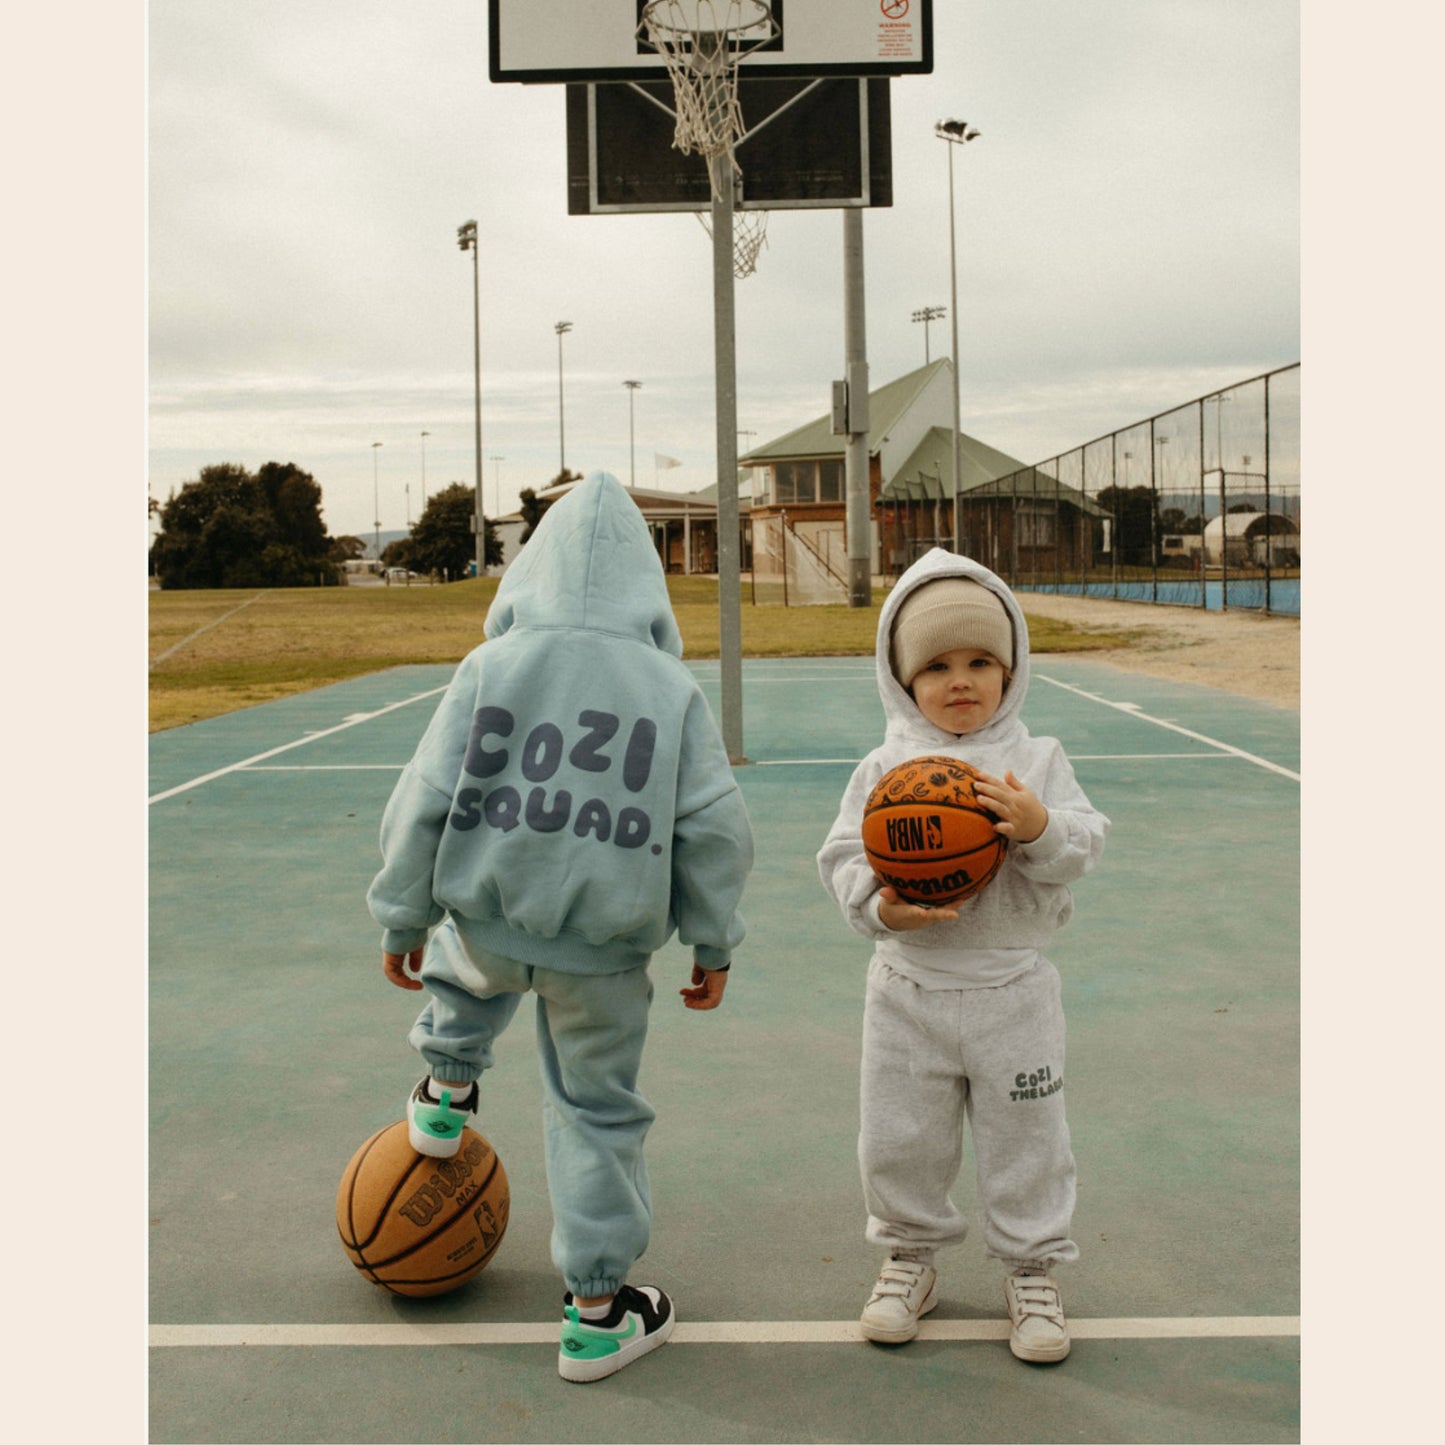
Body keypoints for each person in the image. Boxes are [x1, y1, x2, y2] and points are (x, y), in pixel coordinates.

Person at [367, 471, 754, 1383]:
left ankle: (445, 1084)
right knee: (596, 1114)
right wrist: (713, 938)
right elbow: (714, 826)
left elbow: (422, 796)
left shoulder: (488, 668)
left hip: (489, 920)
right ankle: (595, 1312)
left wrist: (401, 913)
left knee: (465, 966)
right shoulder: (670, 688)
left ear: (526, 573)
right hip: (606, 957)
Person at [817, 548, 1108, 1363]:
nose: (960, 679)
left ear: (1010, 669)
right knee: (898, 1140)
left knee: (1029, 1140)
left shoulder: (1038, 760)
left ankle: (1032, 1267)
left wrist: (1039, 824)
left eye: (981, 660)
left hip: (1013, 991)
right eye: (936, 664)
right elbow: (842, 857)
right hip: (906, 989)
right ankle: (909, 1257)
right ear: (902, 678)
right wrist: (880, 904)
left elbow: (1084, 843)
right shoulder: (883, 769)